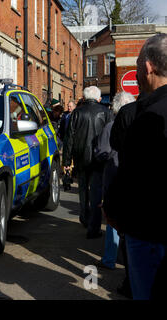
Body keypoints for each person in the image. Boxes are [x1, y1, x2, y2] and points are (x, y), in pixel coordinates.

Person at [103, 33, 167, 300]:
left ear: (149, 66)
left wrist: (112, 208)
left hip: (149, 229)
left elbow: (131, 174)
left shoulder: (147, 115)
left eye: (139, 64)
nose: (137, 71)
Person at [63, 86, 112, 238]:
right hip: (99, 158)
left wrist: (66, 160)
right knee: (97, 192)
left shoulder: (76, 113)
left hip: (81, 157)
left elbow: (69, 138)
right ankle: (94, 225)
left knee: (83, 189)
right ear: (98, 98)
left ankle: (84, 217)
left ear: (84, 98)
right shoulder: (106, 112)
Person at [94, 92, 135, 268]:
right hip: (131, 175)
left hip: (113, 174)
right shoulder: (138, 122)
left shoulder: (111, 126)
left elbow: (102, 152)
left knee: (112, 217)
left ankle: (110, 258)